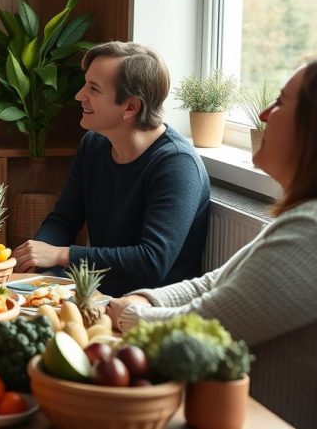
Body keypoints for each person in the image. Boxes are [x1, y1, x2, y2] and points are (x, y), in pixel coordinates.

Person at [107, 53, 317, 428]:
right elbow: (215, 283)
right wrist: (147, 298)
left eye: (282, 102)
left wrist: (126, 314)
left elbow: (207, 327)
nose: (265, 114)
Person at [12, 41, 210, 296]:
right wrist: (34, 259)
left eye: (93, 89)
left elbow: (151, 261)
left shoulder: (177, 165)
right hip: (95, 293)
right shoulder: (94, 144)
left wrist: (60, 255)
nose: (79, 95)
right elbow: (64, 220)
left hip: (149, 308)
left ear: (130, 107)